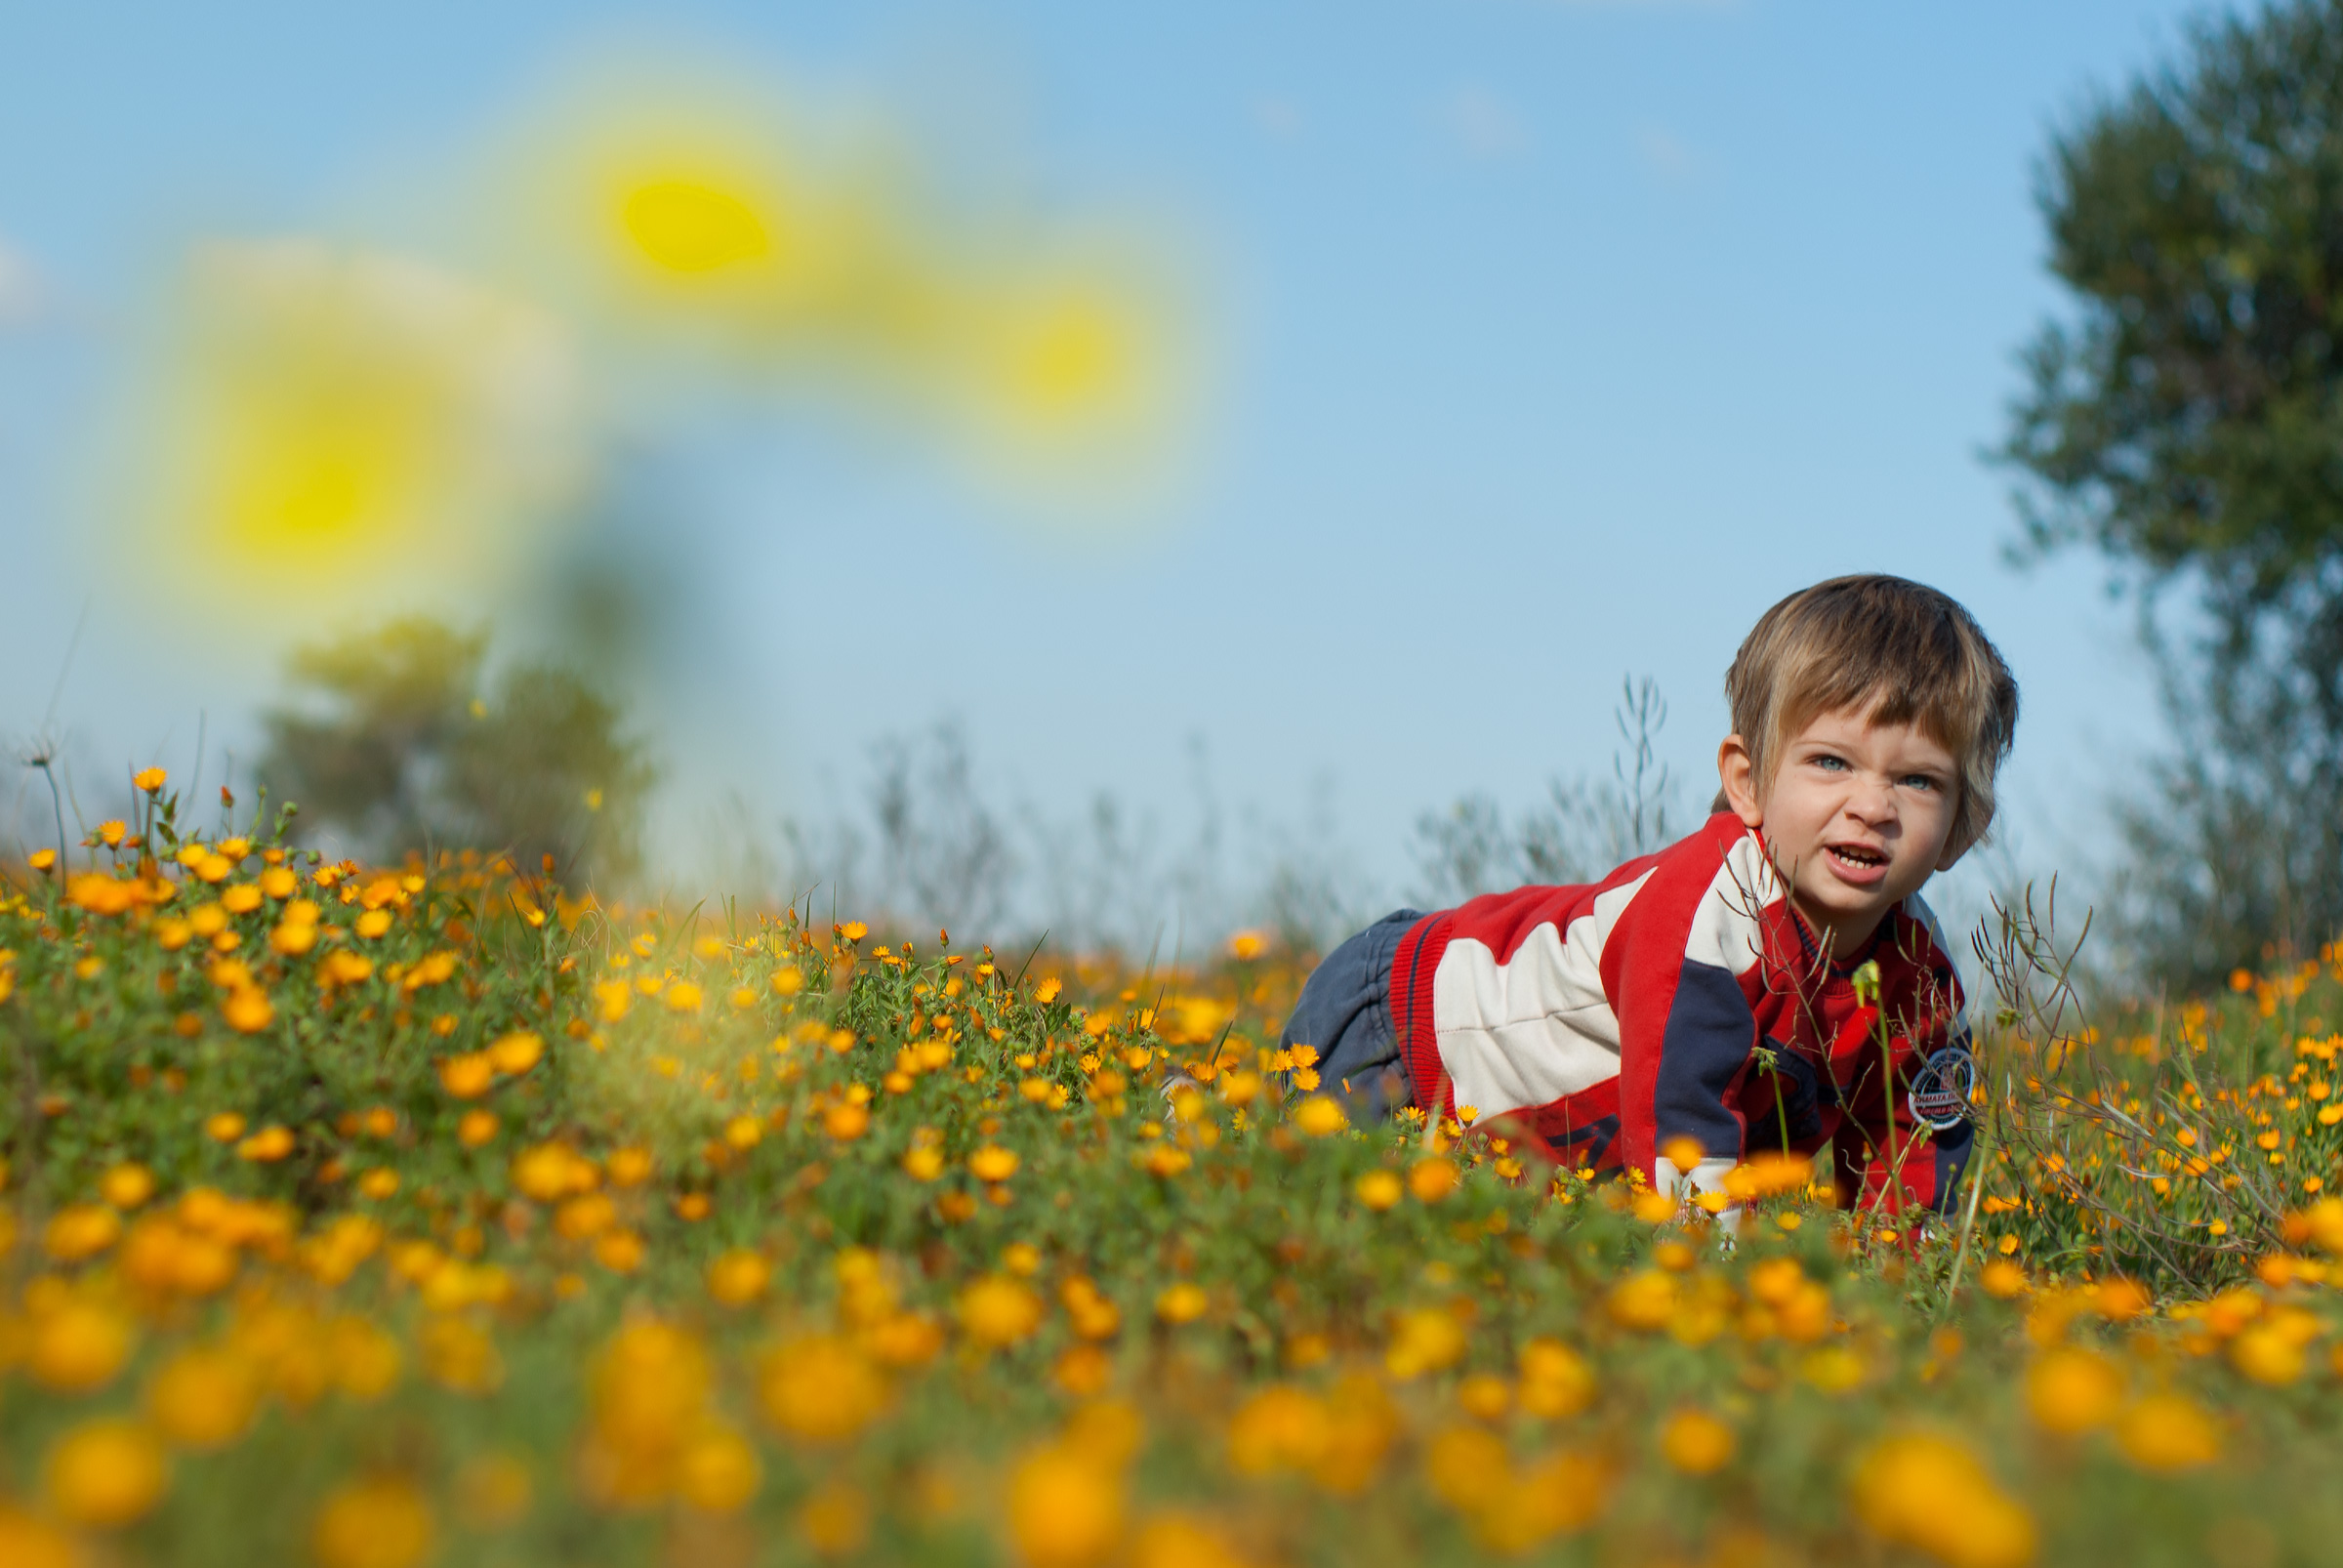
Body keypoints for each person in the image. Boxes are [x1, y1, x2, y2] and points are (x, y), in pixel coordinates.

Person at [1279, 574, 2018, 1217]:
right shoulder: (1707, 915)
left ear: (1963, 828)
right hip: (1409, 1030)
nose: (1872, 805)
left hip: (1560, 1151)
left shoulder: (1920, 982)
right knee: (1313, 1212)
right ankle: (1191, 1111)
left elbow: (1914, 1151)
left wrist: (1903, 1298)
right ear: (1748, 782)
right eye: (1831, 762)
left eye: (1917, 780)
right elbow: (1684, 1151)